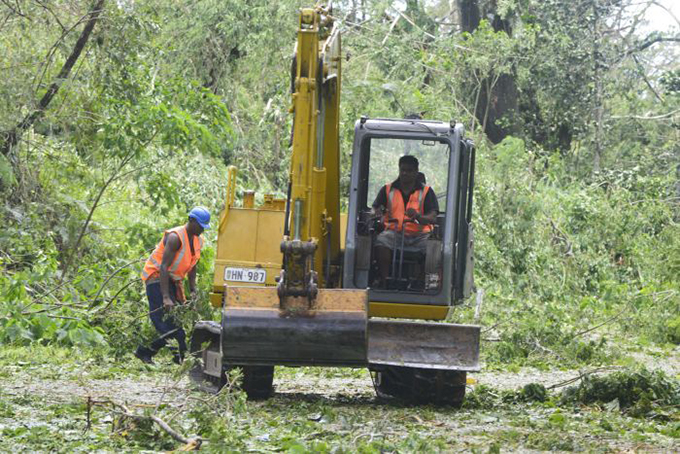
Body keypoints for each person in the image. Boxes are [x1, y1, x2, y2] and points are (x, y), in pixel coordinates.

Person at [134, 207, 210, 364]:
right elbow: (163, 267)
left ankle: (154, 353)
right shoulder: (175, 237)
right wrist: (166, 297)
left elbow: (193, 266)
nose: (202, 229)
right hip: (157, 278)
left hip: (173, 281)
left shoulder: (198, 240)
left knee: (175, 324)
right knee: (165, 323)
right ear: (191, 221)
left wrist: (193, 290)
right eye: (201, 225)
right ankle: (176, 357)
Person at [371, 156, 438, 288]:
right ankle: (385, 280)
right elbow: (375, 208)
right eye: (402, 170)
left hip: (420, 235)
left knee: (433, 248)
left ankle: (420, 283)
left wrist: (419, 216)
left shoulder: (426, 192)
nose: (405, 173)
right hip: (394, 233)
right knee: (381, 241)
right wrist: (376, 213)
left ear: (416, 172)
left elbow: (433, 217)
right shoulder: (387, 189)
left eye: (409, 170)